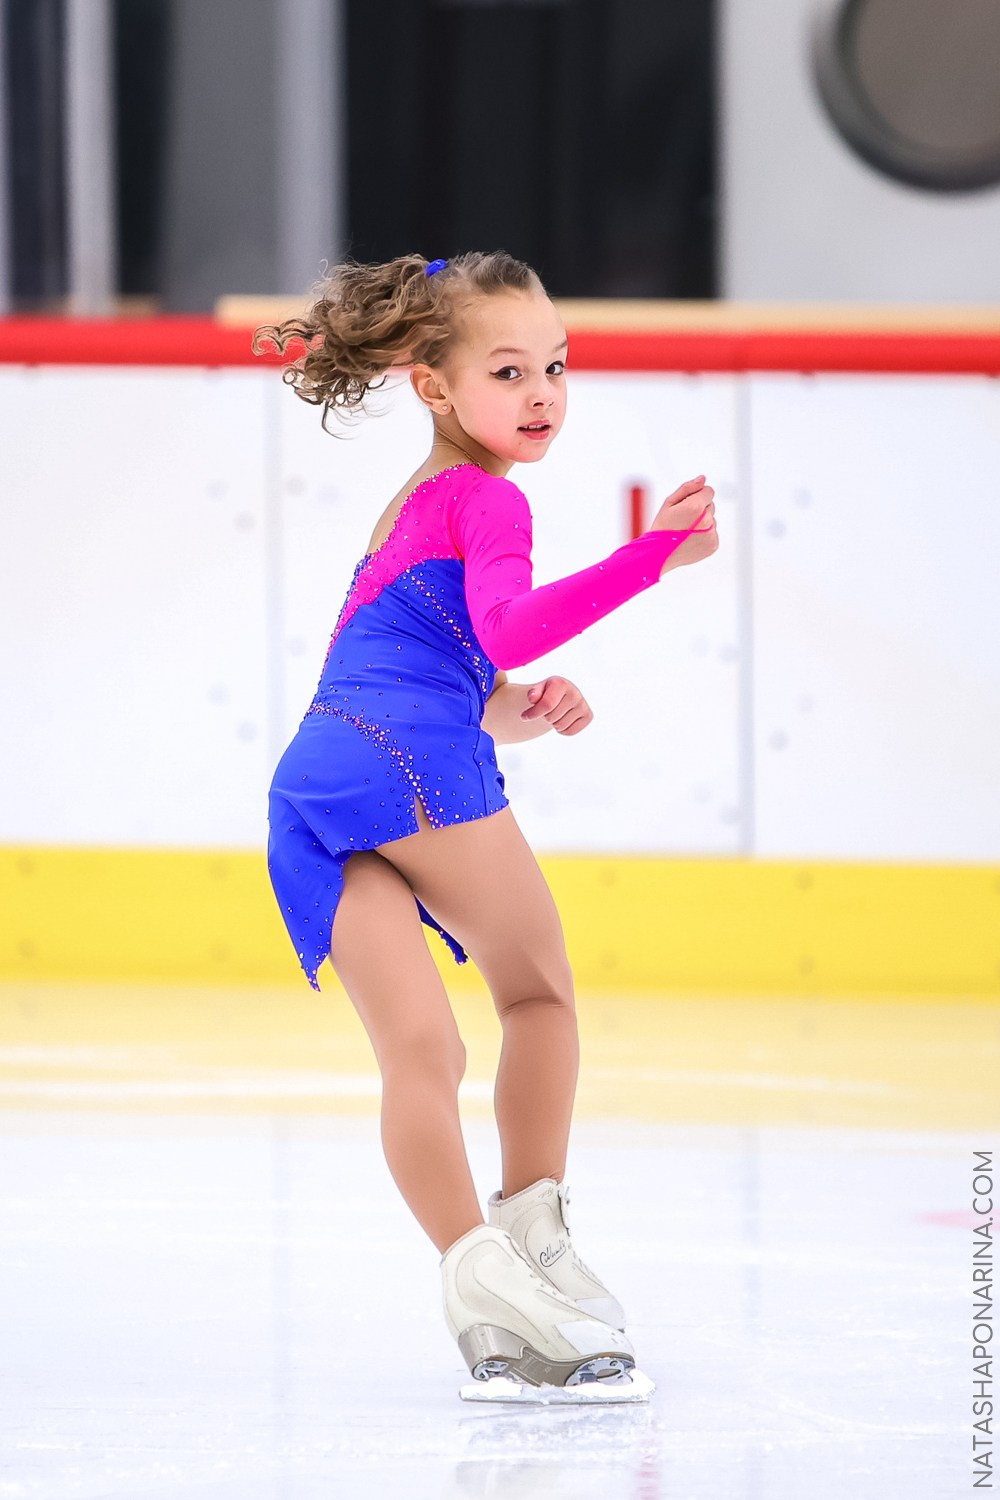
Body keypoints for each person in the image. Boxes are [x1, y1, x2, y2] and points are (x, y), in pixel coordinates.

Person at [252, 250, 718, 1401]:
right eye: (508, 371)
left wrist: (514, 715)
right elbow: (504, 630)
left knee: (422, 1054)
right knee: (536, 995)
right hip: (410, 764)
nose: (542, 392)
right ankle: (537, 1232)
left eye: (555, 366)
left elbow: (422, 669)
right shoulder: (487, 494)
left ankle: (480, 1291)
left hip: (317, 780)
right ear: (433, 387)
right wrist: (652, 555)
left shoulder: (407, 503)